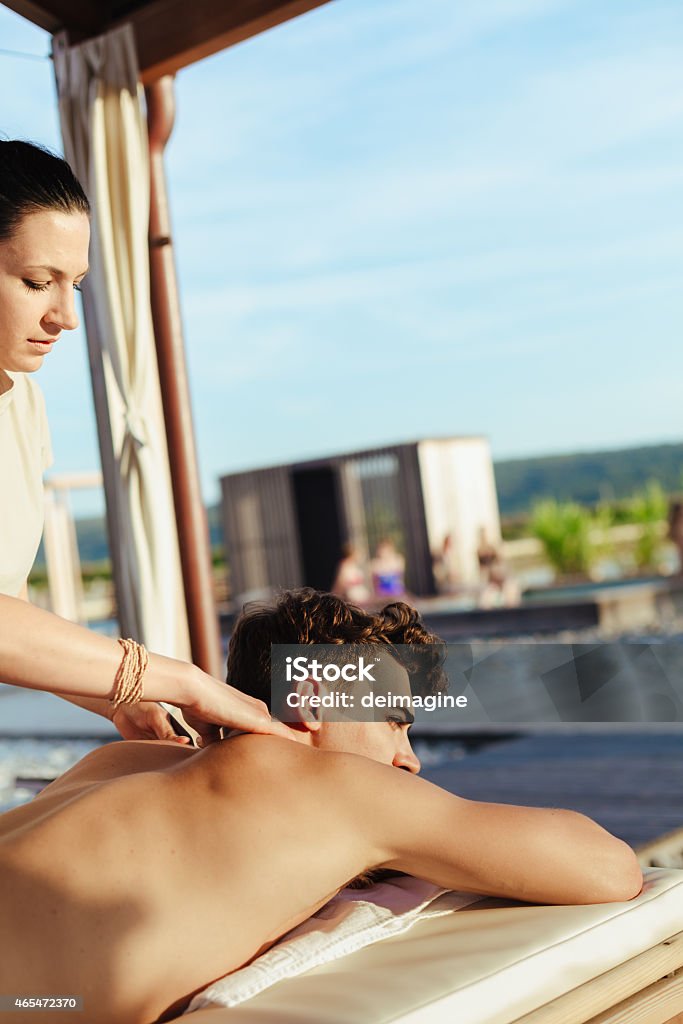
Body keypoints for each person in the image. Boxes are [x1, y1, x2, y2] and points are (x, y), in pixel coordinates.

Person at [0, 589, 643, 1024]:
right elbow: (610, 868)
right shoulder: (333, 787)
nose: (411, 760)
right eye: (394, 721)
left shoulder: (116, 763)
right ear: (310, 699)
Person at [0, 139, 285, 746]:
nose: (65, 316)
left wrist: (121, 700)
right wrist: (177, 680)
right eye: (35, 281)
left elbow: (11, 605)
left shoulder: (20, 400)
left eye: (73, 284)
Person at [476, 526, 520, 609]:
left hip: (504, 583)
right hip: (492, 584)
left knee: (510, 593)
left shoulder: (502, 562)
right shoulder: (482, 551)